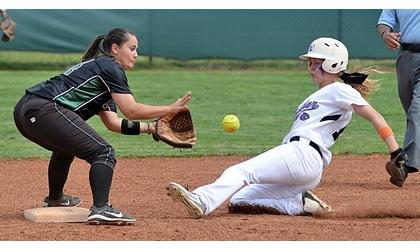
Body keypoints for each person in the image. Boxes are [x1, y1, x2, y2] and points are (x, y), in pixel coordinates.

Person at [166, 37, 405, 218]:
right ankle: (299, 203)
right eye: (310, 62)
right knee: (240, 200)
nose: (310, 67)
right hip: (304, 163)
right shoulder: (318, 96)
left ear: (332, 64)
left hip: (303, 154)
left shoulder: (340, 89)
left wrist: (394, 149)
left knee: (241, 172)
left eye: (315, 62)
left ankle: (202, 201)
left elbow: (374, 116)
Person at [13, 27, 192, 225]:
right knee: (104, 152)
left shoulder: (102, 71)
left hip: (26, 110)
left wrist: (150, 128)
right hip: (44, 110)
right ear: (115, 48)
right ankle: (101, 208)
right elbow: (131, 110)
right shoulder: (110, 68)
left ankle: (56, 199)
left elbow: (113, 123)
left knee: (64, 149)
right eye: (132, 48)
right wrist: (169, 109)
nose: (136, 54)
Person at [377, 10, 420, 187]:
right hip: (406, 56)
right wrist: (386, 34)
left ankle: (404, 164)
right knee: (410, 108)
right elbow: (384, 22)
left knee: (417, 110)